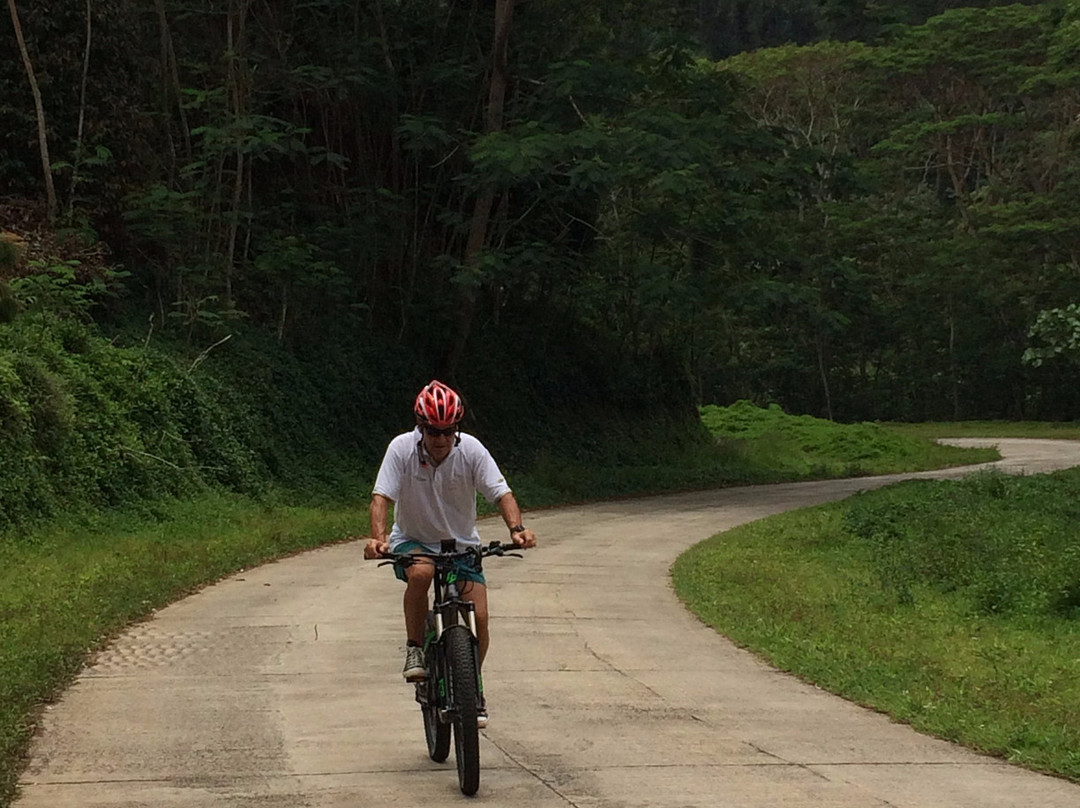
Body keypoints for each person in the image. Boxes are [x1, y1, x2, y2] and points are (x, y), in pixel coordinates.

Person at [364, 380, 537, 727]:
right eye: (432, 431)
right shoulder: (401, 449)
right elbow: (381, 497)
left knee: (481, 618)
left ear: (456, 429)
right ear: (420, 427)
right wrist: (378, 539)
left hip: (461, 546)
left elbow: (502, 493)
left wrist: (516, 529)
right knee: (422, 574)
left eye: (447, 431)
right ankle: (415, 646)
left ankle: (471, 688)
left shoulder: (471, 450)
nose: (440, 439)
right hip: (413, 540)